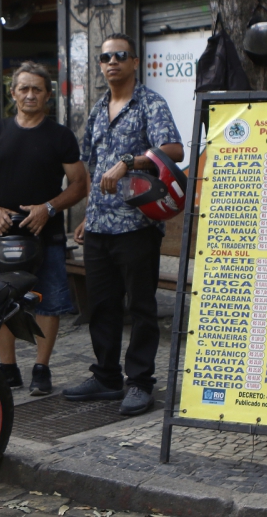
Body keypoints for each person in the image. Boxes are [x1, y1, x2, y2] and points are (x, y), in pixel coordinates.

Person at [65, 33, 183, 416]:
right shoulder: (99, 109)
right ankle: (106, 376)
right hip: (100, 227)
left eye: (120, 55)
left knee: (142, 307)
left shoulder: (150, 103)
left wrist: (130, 162)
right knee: (102, 305)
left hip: (137, 225)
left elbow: (174, 149)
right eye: (105, 58)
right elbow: (93, 164)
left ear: (134, 62)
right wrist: (88, 215)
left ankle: (141, 382)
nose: (112, 62)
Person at [0, 62, 88, 395]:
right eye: (23, 88)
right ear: (13, 93)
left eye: (37, 89)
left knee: (48, 303)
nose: (30, 94)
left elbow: (79, 184)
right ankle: (7, 368)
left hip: (45, 235)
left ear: (48, 95)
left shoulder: (60, 136)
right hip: (0, 235)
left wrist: (48, 208)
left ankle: (42, 368)